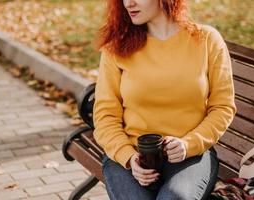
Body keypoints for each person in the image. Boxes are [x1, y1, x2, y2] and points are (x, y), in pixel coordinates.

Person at [93, 0, 237, 199]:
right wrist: (129, 157)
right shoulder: (116, 47)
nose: (128, 3)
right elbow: (105, 116)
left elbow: (222, 107)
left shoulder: (206, 40)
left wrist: (188, 144)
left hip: (191, 156)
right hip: (130, 156)